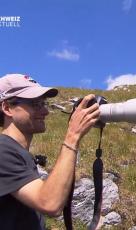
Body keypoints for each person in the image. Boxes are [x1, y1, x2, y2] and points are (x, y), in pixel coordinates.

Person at [0, 74, 100, 230]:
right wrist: (73, 136)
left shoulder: (17, 152)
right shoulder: (3, 151)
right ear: (7, 108)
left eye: (43, 103)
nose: (45, 111)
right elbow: (49, 203)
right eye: (35, 104)